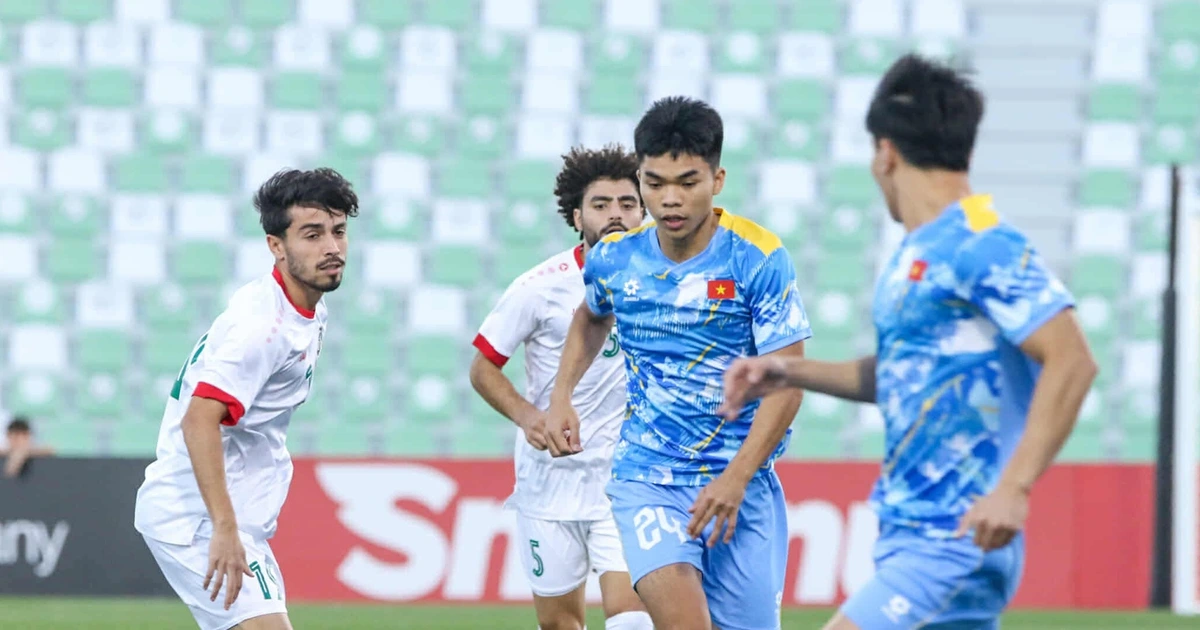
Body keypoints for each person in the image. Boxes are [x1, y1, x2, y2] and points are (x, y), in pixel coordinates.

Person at [718, 54, 1098, 630]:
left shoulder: (980, 241)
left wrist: (1014, 489)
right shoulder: (916, 255)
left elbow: (1072, 358)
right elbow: (900, 374)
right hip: (911, 534)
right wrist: (790, 373)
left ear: (885, 152)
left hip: (952, 537)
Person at [545, 97, 812, 630]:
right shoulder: (616, 257)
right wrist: (561, 396)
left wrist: (736, 479)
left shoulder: (756, 256)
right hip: (649, 476)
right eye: (655, 182)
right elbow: (591, 315)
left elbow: (787, 381)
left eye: (687, 182)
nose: (670, 199)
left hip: (742, 482)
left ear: (717, 179)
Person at [134, 168, 358, 630]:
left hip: (233, 517)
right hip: (195, 518)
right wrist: (224, 528)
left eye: (338, 232)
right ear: (276, 246)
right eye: (312, 235)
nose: (332, 248)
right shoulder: (263, 329)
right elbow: (199, 420)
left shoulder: (303, 305)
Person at [469, 144, 654, 630]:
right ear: (577, 216)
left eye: (627, 203)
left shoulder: (662, 280)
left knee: (632, 618)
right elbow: (483, 367)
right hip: (549, 479)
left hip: (626, 478)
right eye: (601, 205)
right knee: (559, 624)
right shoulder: (540, 286)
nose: (616, 214)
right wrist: (531, 418)